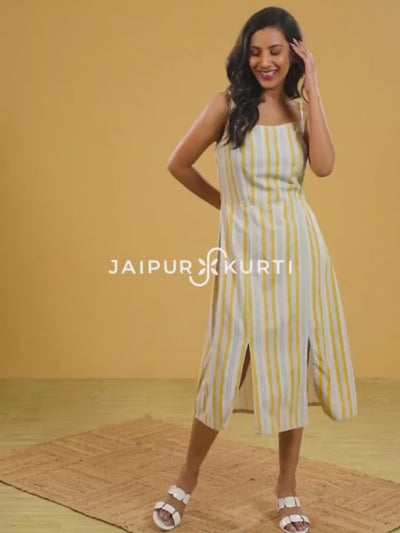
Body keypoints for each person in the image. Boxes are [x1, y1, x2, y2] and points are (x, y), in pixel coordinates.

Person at [153, 6, 358, 532]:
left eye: (276, 51)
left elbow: (324, 166)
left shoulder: (300, 109)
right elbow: (179, 163)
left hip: (298, 251)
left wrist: (314, 89)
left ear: (294, 53)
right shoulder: (227, 105)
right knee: (226, 362)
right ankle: (185, 480)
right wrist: (229, 206)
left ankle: (287, 488)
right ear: (245, 56)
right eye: (256, 52)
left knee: (291, 364)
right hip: (244, 254)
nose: (265, 61)